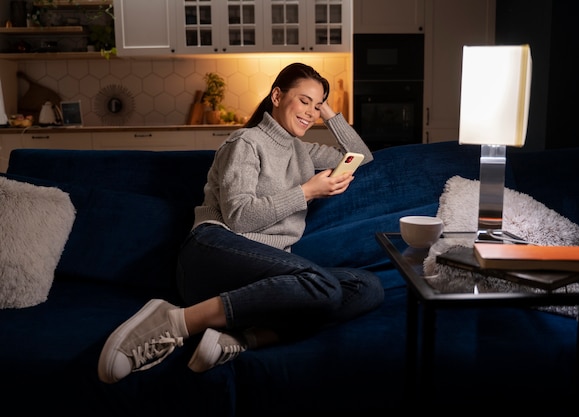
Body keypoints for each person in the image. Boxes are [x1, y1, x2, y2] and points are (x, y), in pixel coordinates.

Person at [97, 63, 384, 384]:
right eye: (303, 101)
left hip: (264, 282)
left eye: (316, 106)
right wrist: (307, 191)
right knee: (321, 285)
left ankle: (240, 339)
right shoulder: (246, 142)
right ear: (277, 95)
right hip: (212, 253)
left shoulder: (303, 151)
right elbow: (239, 216)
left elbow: (362, 156)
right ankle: (176, 321)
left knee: (366, 288)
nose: (311, 112)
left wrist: (327, 109)